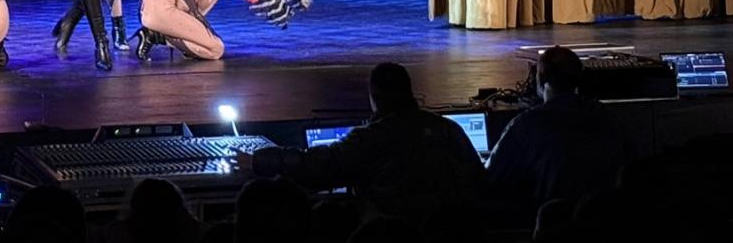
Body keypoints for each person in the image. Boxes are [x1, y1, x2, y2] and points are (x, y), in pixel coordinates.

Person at [237, 63, 484, 222]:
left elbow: (319, 166)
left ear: (373, 98)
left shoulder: (372, 138)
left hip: (392, 230)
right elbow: (479, 179)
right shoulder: (449, 129)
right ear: (410, 92)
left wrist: (259, 161)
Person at [485, 46, 633, 210]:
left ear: (539, 82)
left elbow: (492, 175)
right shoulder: (609, 118)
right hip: (607, 218)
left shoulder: (526, 124)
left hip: (553, 219)